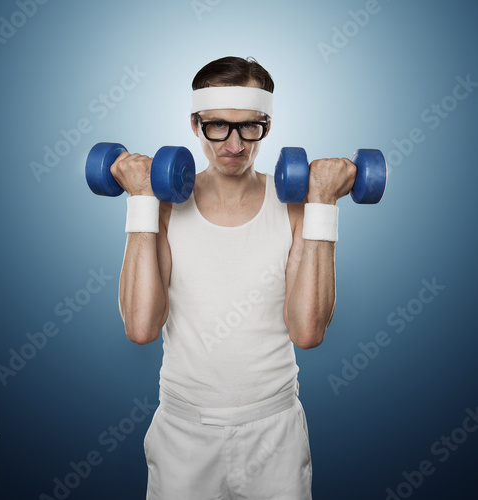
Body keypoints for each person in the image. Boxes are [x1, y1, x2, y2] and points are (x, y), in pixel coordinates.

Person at [110, 56, 357, 500]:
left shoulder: (297, 208)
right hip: (183, 430)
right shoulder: (160, 209)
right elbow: (141, 328)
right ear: (195, 123)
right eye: (217, 126)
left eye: (249, 127)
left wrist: (323, 203)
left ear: (266, 124)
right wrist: (142, 198)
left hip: (274, 430)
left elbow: (307, 332)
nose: (234, 144)